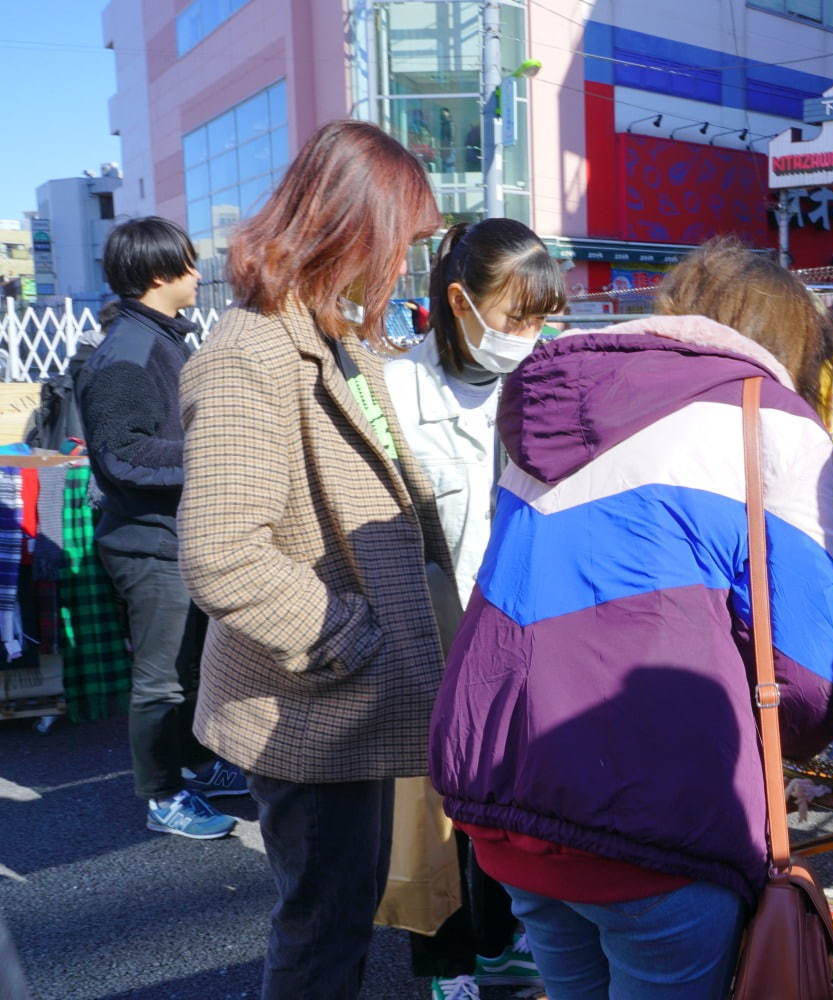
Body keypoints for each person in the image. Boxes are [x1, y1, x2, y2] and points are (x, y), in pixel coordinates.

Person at [429, 237, 833, 999]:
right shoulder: (770, 419)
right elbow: (807, 676)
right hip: (647, 808)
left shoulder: (551, 397)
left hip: (504, 791)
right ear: (794, 338)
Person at [176, 120, 451, 999]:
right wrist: (352, 638)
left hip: (342, 695)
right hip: (310, 701)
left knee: (341, 911)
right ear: (351, 229)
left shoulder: (330, 335)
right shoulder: (252, 351)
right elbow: (221, 555)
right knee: (323, 928)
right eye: (400, 243)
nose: (403, 266)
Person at [385, 218, 565, 998]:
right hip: (431, 633)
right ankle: (445, 963)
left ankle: (502, 941)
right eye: (517, 316)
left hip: (525, 628)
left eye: (542, 316)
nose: (531, 334)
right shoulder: (395, 391)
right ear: (460, 301)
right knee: (432, 814)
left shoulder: (551, 375)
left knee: (511, 806)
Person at [76, 216, 245, 841]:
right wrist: (214, 454)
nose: (199, 275)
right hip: (147, 544)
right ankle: (163, 796)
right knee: (161, 678)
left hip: (177, 536)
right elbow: (121, 455)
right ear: (156, 274)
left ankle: (199, 766)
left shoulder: (160, 337)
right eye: (188, 264)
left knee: (193, 663)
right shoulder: (128, 352)